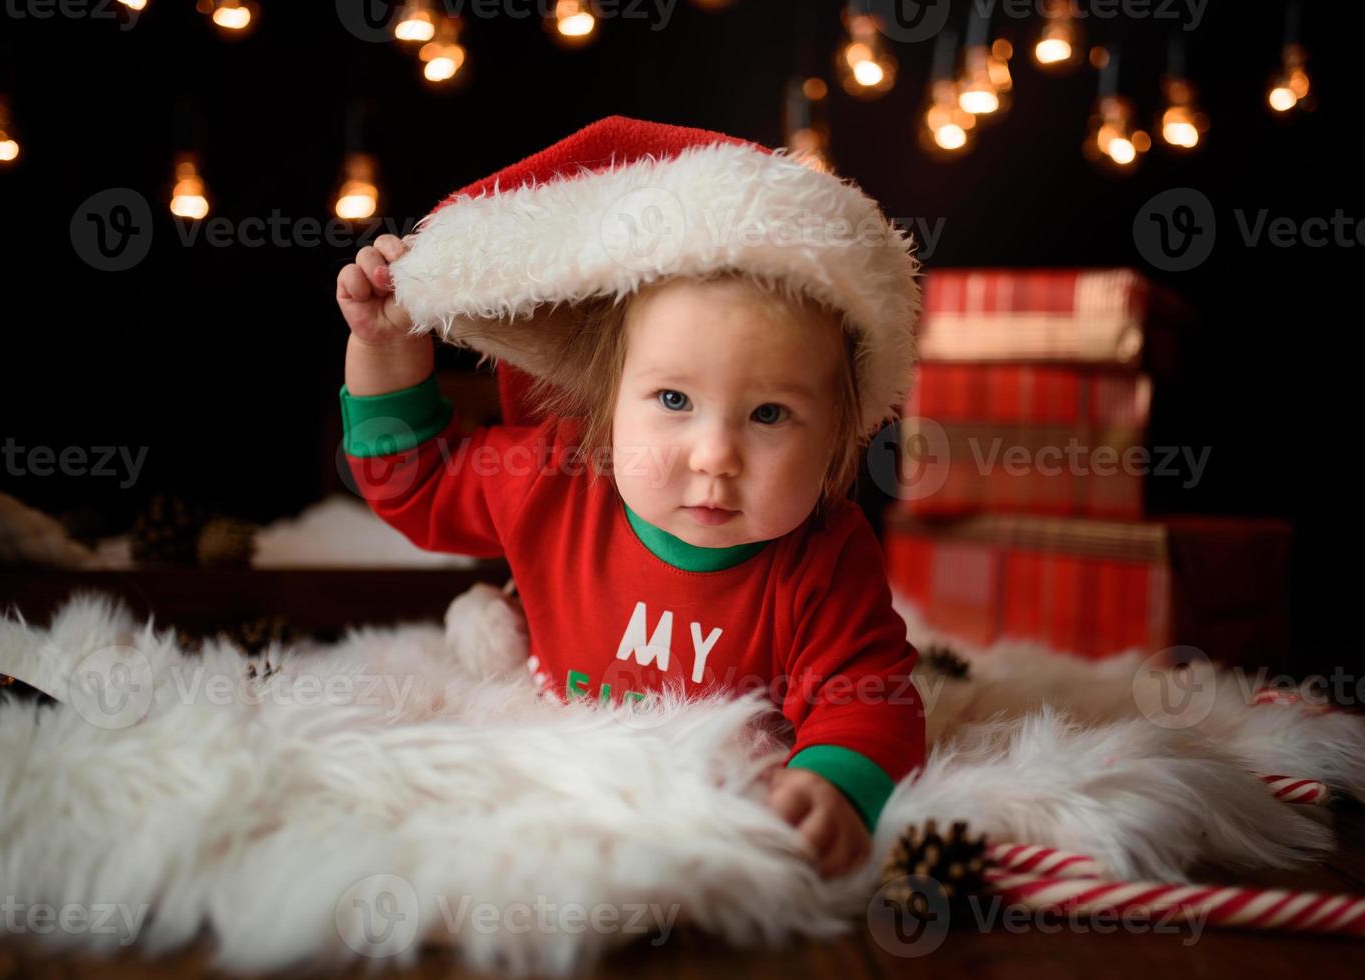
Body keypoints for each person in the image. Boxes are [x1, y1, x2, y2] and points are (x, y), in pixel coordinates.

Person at [335, 116, 924, 879]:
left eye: (770, 414)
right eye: (674, 400)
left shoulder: (823, 556)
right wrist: (383, 349)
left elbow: (868, 696)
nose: (715, 457)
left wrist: (838, 784)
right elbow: (414, 480)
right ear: (608, 402)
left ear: (842, 435)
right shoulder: (557, 479)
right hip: (556, 806)